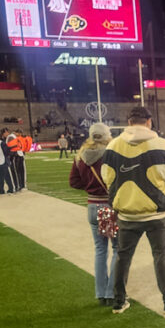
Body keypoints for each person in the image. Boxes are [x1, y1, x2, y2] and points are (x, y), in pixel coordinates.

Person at [101, 106, 165, 314]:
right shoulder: (161, 144)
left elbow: (106, 176)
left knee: (123, 256)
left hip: (127, 212)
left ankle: (119, 301)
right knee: (161, 256)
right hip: (157, 212)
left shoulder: (113, 146)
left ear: (128, 121)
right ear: (149, 122)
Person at [69, 123, 119, 306]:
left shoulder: (81, 155)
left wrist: (90, 187)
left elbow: (73, 182)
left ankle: (100, 292)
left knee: (100, 251)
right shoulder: (109, 154)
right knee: (117, 250)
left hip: (91, 206)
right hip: (106, 205)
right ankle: (111, 292)